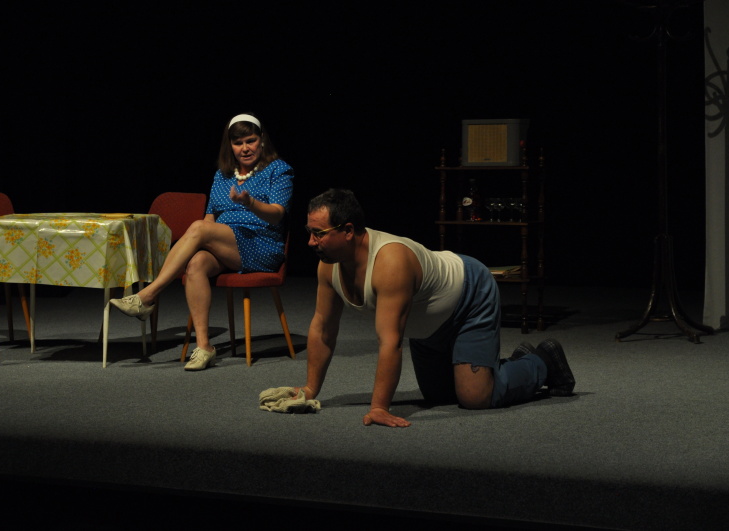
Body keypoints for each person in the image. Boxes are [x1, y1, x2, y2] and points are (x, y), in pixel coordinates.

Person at [286, 188, 574, 428]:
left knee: (475, 397)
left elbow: (390, 341)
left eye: (318, 233)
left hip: (468, 297)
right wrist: (310, 389)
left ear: (348, 230)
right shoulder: (328, 266)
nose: (310, 242)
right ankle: (504, 366)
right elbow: (323, 328)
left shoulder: (390, 262)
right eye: (309, 232)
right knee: (439, 396)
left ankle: (542, 361)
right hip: (428, 325)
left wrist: (379, 407)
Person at [111, 113, 293, 371]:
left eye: (250, 141)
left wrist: (250, 202)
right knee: (196, 263)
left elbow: (277, 214)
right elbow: (210, 219)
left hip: (261, 244)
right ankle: (205, 347)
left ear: (262, 140)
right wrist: (199, 242)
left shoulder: (278, 169)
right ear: (230, 145)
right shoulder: (222, 175)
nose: (245, 148)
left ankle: (148, 295)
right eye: (238, 143)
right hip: (225, 246)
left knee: (198, 228)